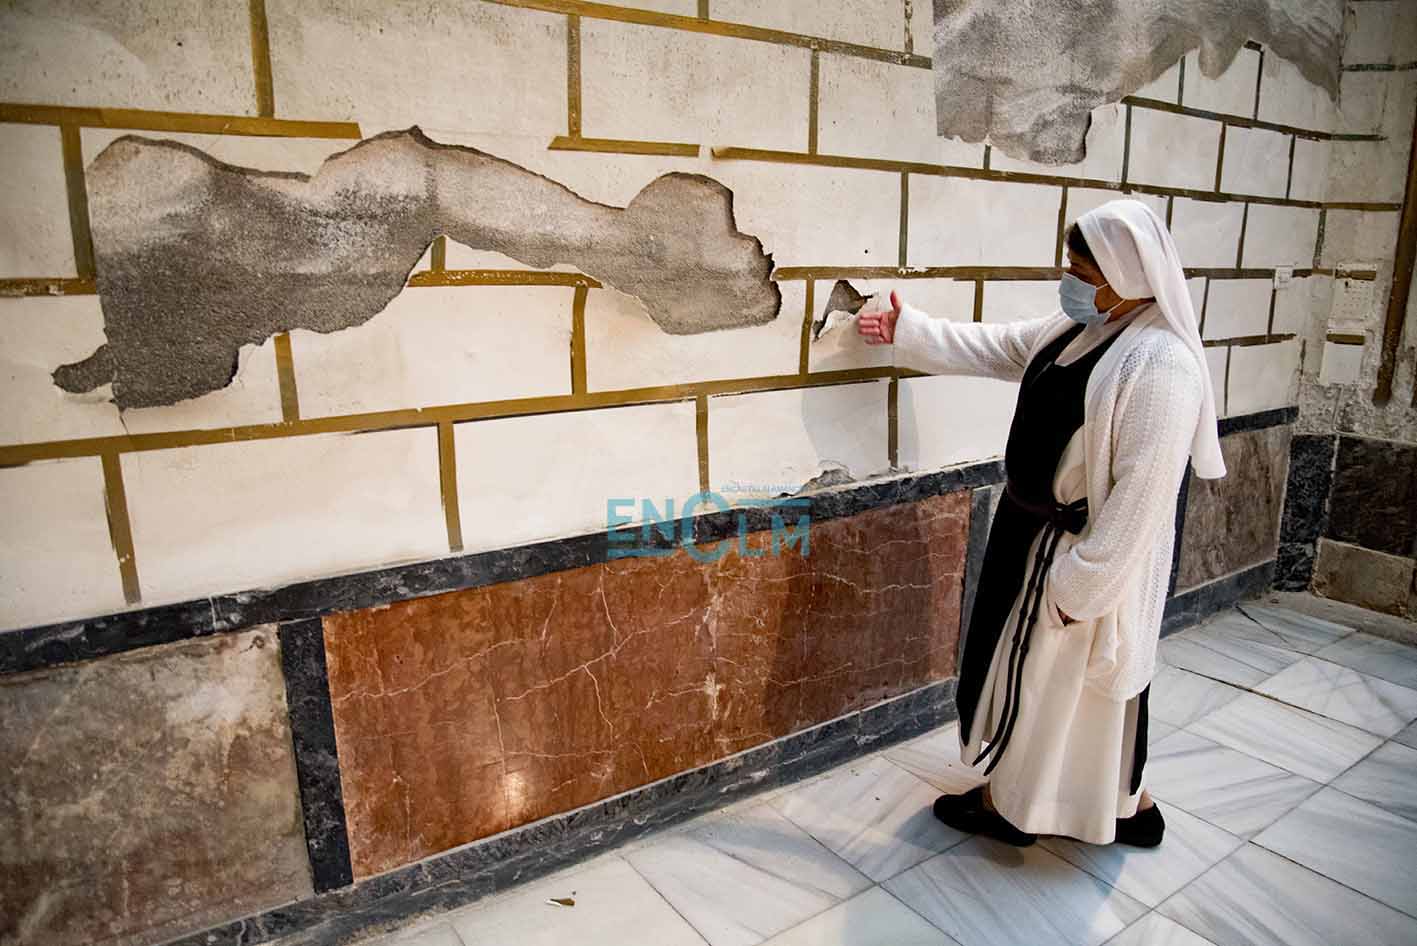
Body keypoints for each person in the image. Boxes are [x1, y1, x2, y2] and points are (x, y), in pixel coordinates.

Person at [856, 198, 1224, 847]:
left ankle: (1015, 810)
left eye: (1082, 269)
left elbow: (1143, 495)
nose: (1071, 281)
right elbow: (998, 347)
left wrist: (1076, 589)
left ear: (1127, 273)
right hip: (1030, 535)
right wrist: (904, 328)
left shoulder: (1161, 364)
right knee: (1057, 690)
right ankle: (1123, 806)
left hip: (1077, 556)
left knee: (1054, 688)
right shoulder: (1075, 330)